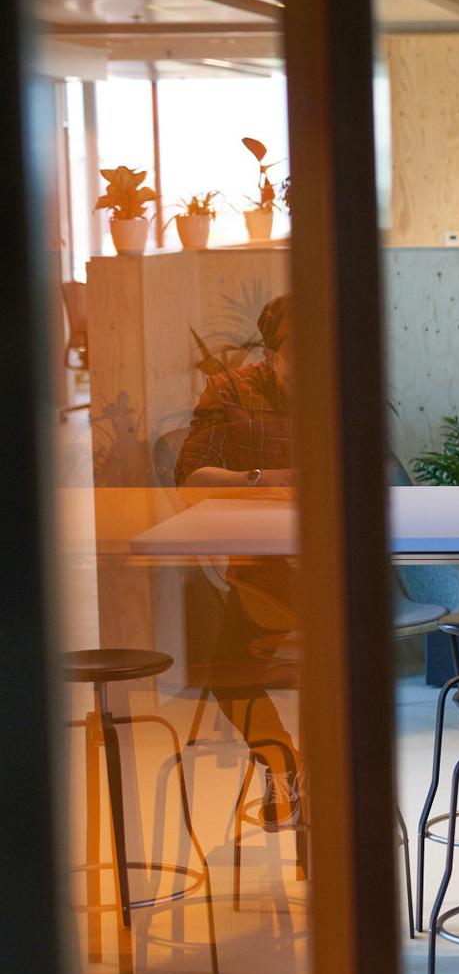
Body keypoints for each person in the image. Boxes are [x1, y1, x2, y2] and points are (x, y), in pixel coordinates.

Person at [174, 294, 302, 828]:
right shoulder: (230, 391)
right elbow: (190, 478)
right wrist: (262, 481)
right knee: (228, 672)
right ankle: (283, 762)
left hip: (341, 571)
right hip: (264, 569)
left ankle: (329, 780)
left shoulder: (348, 387)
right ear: (272, 355)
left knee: (231, 667)